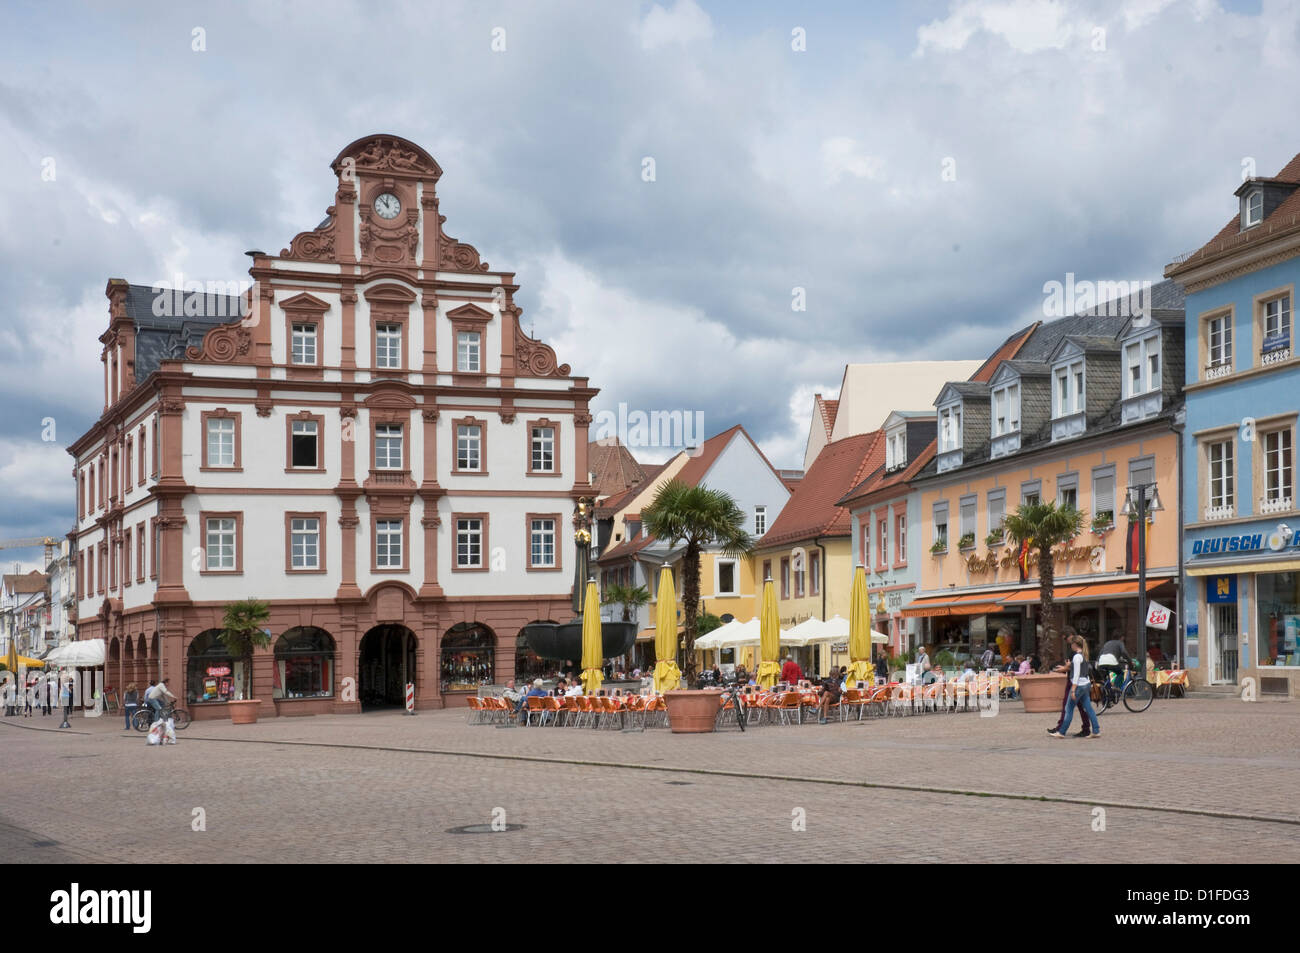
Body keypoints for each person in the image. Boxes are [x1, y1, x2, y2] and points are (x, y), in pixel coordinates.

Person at [1050, 634, 1100, 739]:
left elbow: (1076, 674)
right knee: (1088, 708)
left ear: (1075, 644)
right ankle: (1096, 730)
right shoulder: (1083, 655)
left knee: (1069, 708)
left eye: (1072, 643)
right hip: (1085, 684)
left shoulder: (1077, 657)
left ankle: (1062, 732)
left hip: (1079, 685)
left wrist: (1073, 690)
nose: (1070, 645)